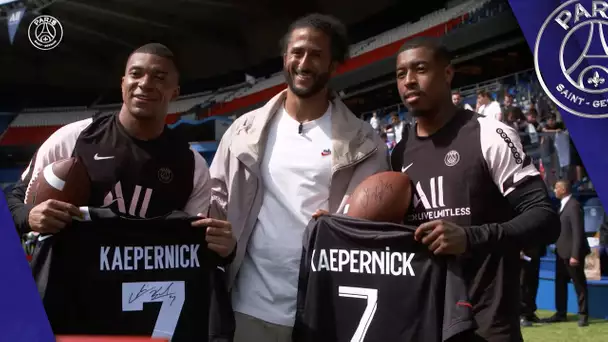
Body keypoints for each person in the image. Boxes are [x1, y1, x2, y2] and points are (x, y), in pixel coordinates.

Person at [4, 43, 237, 336]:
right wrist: (30, 215)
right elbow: (12, 200)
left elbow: (196, 247)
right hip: (76, 301)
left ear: (175, 92)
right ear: (123, 83)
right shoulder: (74, 139)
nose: (145, 84)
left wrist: (226, 250)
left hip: (145, 311)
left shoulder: (191, 164)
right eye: (136, 74)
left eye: (159, 77)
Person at [208, 14, 389, 342]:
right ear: (285, 58)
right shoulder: (242, 132)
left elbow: (376, 225)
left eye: (316, 55)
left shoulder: (366, 143)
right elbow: (216, 203)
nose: (304, 62)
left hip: (327, 308)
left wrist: (342, 226)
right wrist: (222, 241)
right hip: (250, 307)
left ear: (334, 66)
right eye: (298, 52)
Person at [390, 36, 560, 341]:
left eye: (420, 69)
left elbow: (545, 218)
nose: (409, 81)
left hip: (487, 326)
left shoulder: (490, 134)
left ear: (447, 74)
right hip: (426, 323)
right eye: (401, 74)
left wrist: (469, 237)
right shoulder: (398, 154)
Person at [543, 180, 590, 327]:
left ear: (563, 189)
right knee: (560, 284)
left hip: (572, 254)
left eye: (556, 187)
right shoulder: (562, 205)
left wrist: (575, 255)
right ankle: (561, 313)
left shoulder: (574, 206)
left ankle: (583, 314)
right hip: (560, 253)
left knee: (579, 285)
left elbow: (578, 232)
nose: (554, 190)